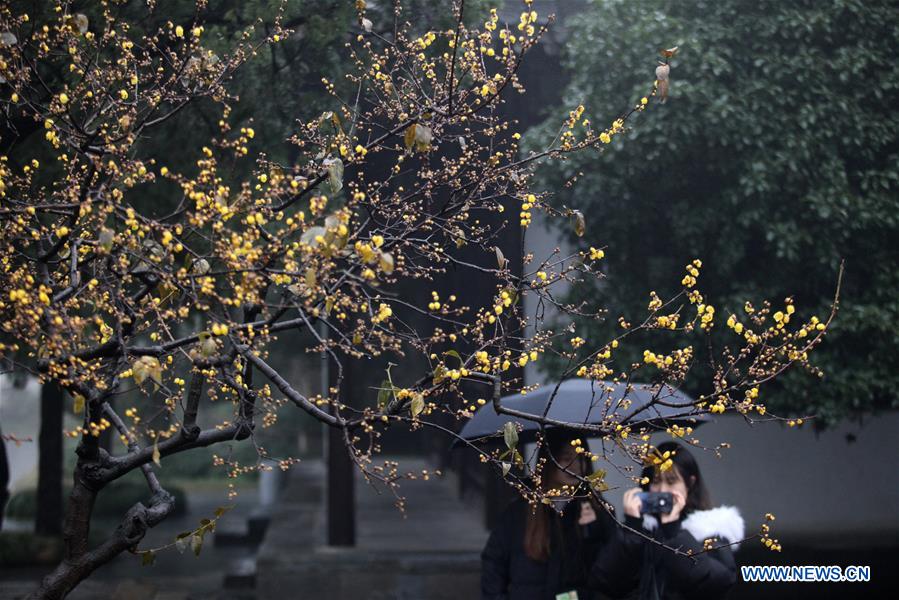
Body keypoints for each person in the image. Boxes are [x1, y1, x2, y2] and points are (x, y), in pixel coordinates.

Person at [590, 441, 744, 600]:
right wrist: (631, 527)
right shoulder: (641, 530)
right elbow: (605, 582)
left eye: (671, 481)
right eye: (656, 482)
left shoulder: (710, 528)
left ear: (690, 483)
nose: (663, 490)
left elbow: (718, 583)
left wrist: (673, 530)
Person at [481, 428, 617, 600]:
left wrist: (593, 531)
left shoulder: (598, 509)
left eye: (581, 458)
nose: (575, 466)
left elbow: (609, 572)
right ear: (549, 460)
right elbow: (494, 563)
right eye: (567, 459)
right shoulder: (520, 510)